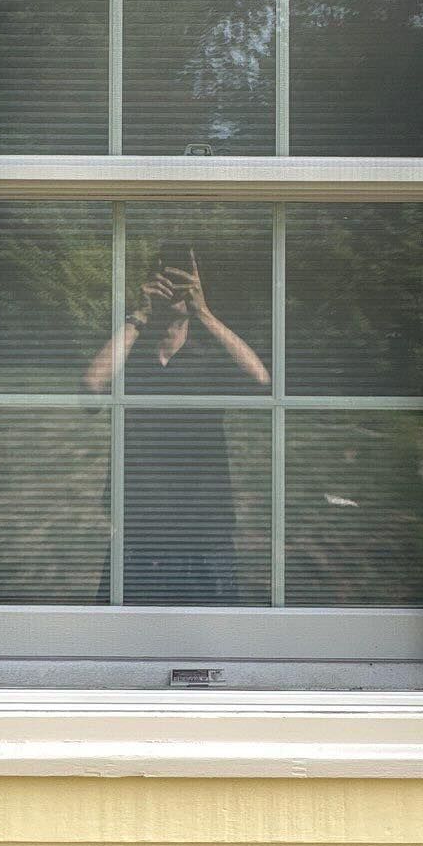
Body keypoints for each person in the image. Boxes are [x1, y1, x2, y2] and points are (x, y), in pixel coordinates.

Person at [82, 246, 268, 603]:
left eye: (184, 279)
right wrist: (139, 314)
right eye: (166, 277)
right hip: (139, 530)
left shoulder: (210, 358)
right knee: (124, 644)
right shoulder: (129, 353)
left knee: (215, 643)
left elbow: (262, 382)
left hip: (205, 529)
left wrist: (205, 313)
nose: (175, 287)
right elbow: (91, 387)